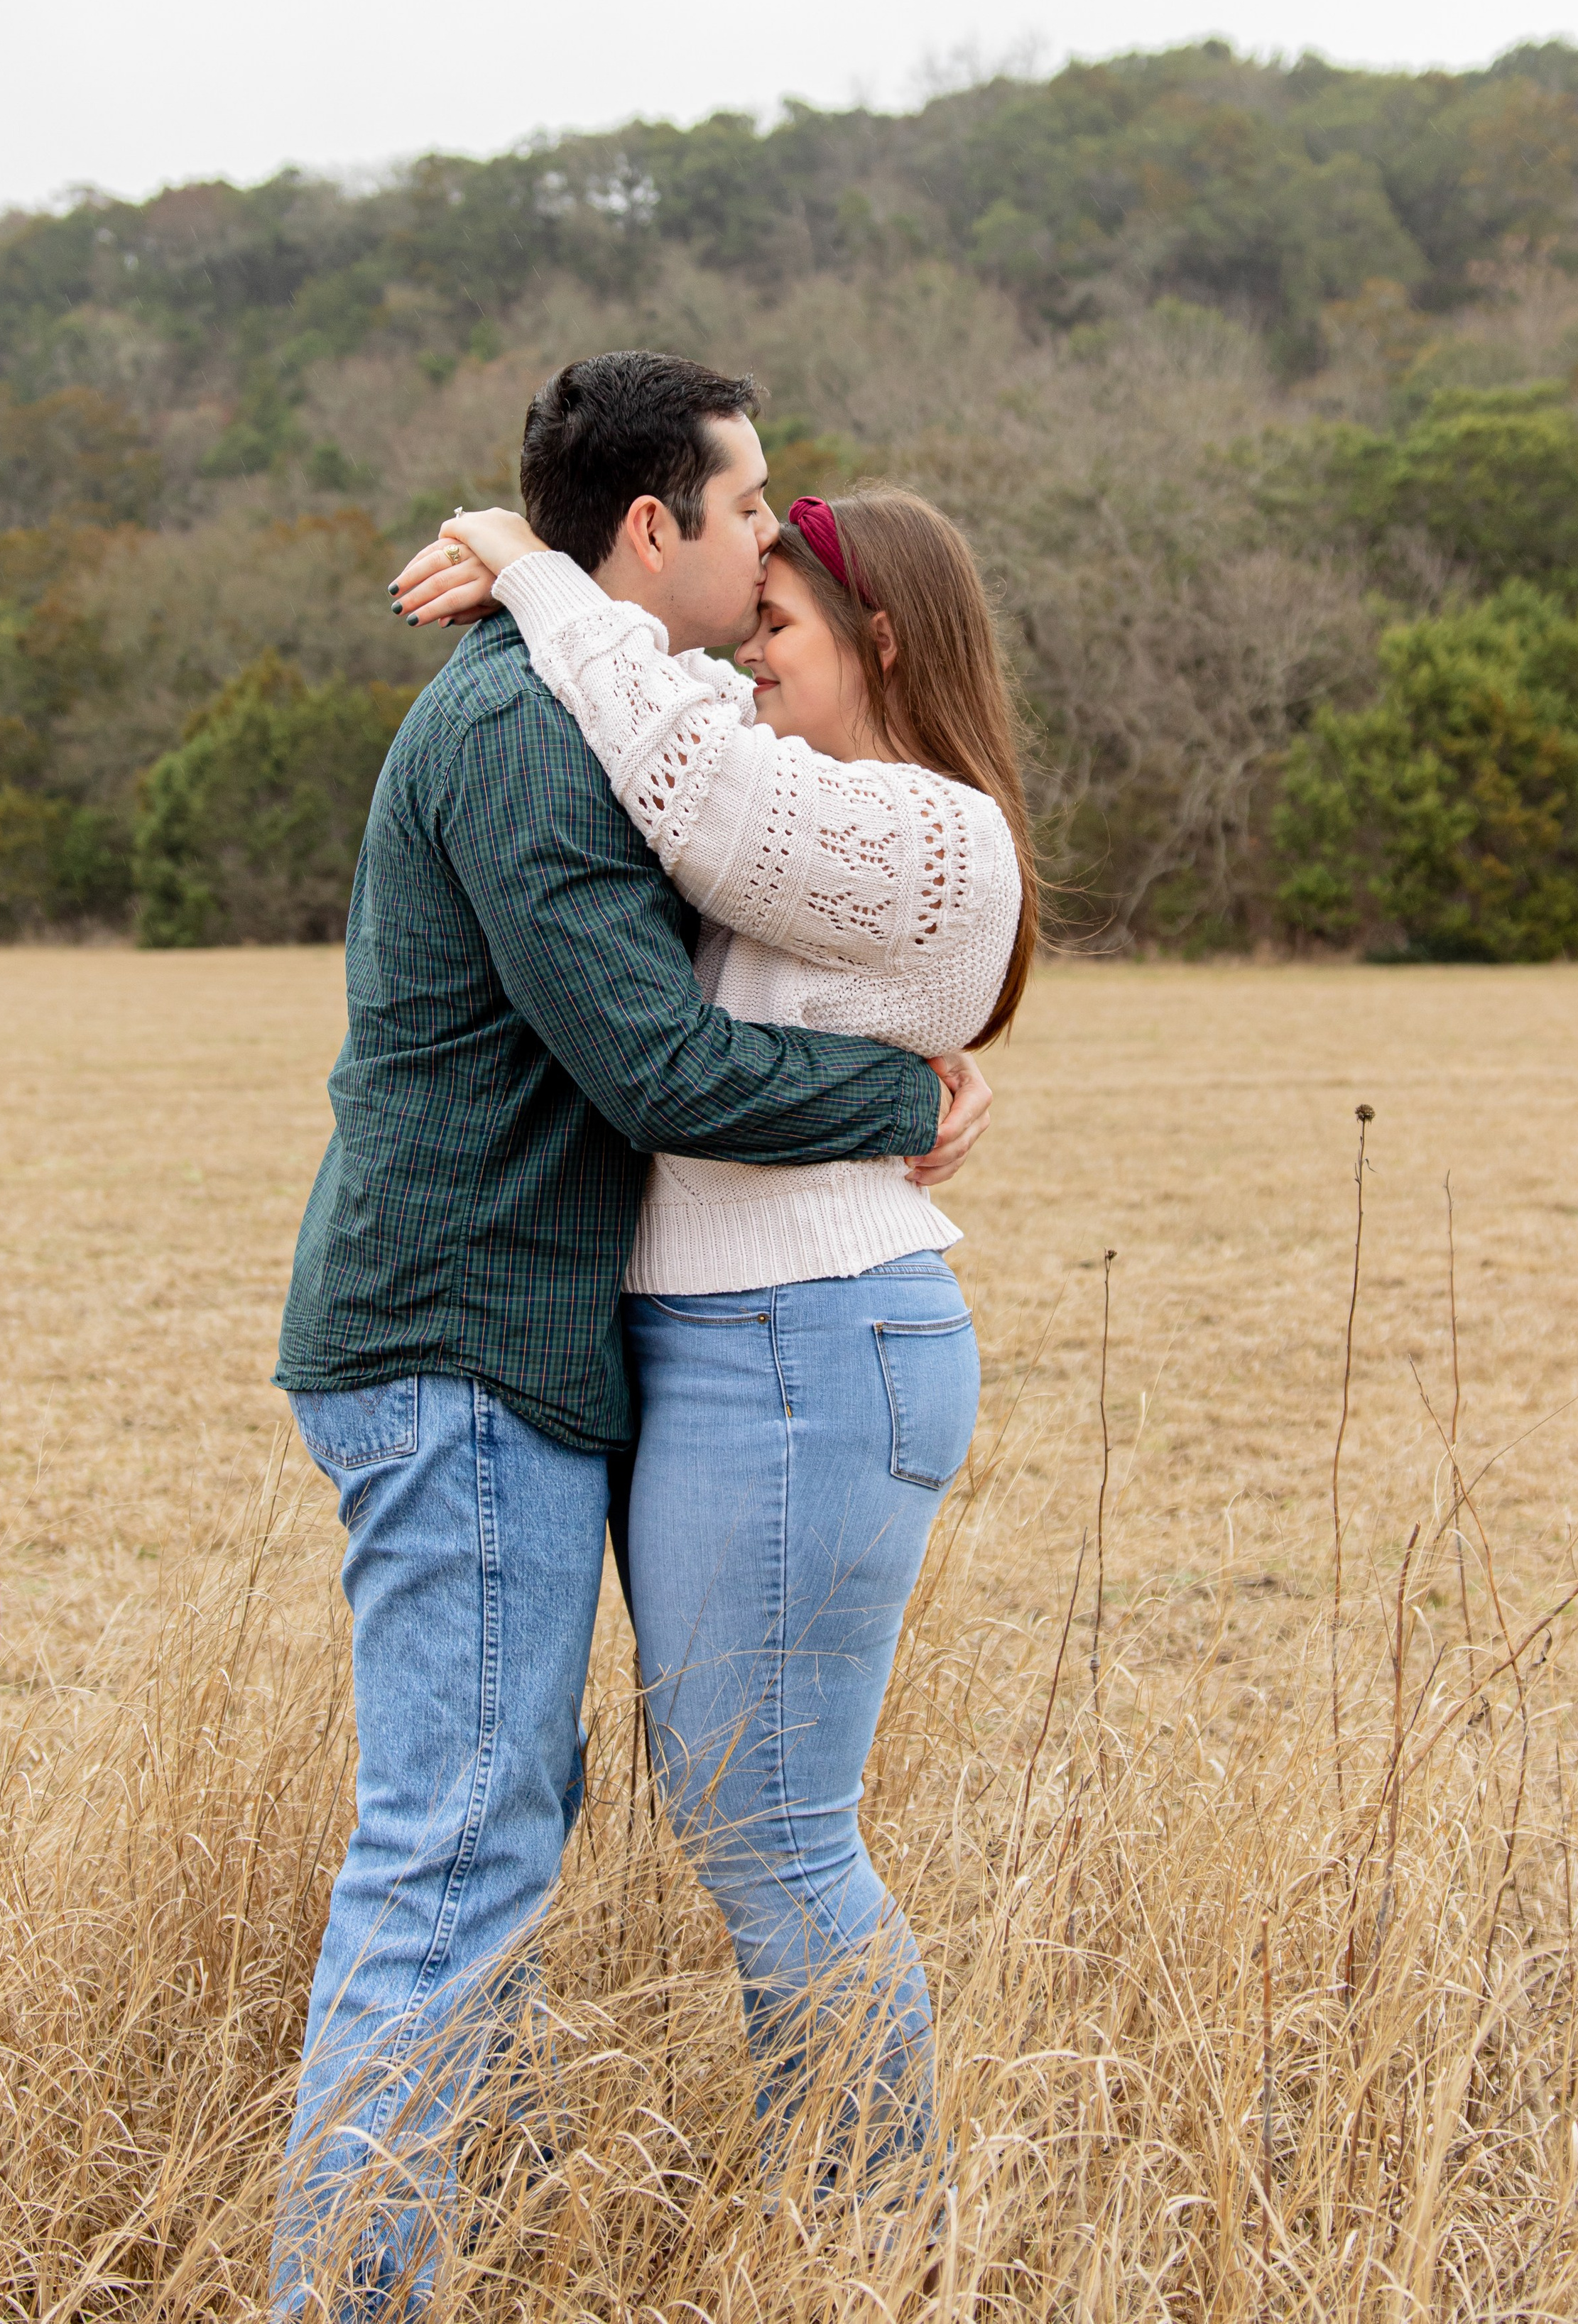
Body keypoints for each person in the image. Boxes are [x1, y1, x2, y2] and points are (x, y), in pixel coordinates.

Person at [271, 352, 993, 2317]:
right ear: (654, 526)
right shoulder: (526, 723)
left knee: (494, 1826)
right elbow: (657, 1063)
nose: (770, 542)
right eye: (749, 508)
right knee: (457, 1845)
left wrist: (516, 553)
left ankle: (465, 2249)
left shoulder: (595, 694)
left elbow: (761, 809)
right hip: (458, 1338)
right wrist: (902, 1095)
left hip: (511, 1338)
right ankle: (357, 2292)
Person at [393, 472, 1037, 2195]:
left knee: (771, 1834)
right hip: (733, 1338)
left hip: (805, 1340)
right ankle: (847, 2215)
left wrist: (531, 565)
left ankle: (870, 2238)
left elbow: (683, 772)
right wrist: (554, 570)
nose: (743, 660)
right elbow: (663, 704)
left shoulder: (929, 828)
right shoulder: (806, 786)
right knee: (737, 1821)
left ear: (881, 639)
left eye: (778, 627)